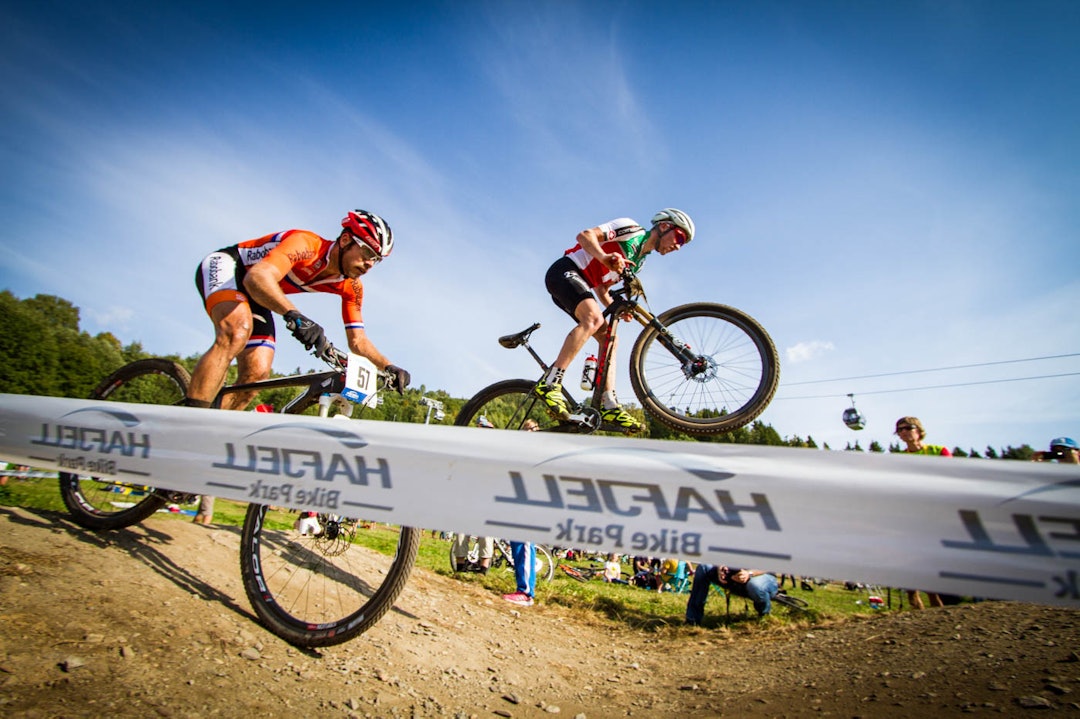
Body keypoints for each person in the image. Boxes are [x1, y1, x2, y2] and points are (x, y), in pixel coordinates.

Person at [183, 210, 411, 524]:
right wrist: (297, 316)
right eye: (369, 253)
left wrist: (390, 366)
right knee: (236, 331)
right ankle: (186, 427)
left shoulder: (351, 286)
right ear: (346, 240)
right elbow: (258, 277)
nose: (371, 263)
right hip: (233, 269)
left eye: (378, 260)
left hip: (257, 293)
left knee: (257, 374)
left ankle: (209, 440)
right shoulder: (306, 243)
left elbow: (357, 340)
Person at [533, 209, 695, 433]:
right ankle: (550, 382)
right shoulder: (631, 229)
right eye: (679, 238)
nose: (678, 246)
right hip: (565, 271)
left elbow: (601, 288)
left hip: (581, 284)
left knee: (610, 337)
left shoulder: (638, 263)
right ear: (664, 226)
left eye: (683, 244)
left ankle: (608, 403)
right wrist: (604, 258)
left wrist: (617, 308)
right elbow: (585, 236)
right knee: (593, 318)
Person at [895, 415, 949, 608]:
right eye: (899, 430)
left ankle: (934, 595)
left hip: (934, 511)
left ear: (918, 430)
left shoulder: (938, 451)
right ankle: (914, 594)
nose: (903, 432)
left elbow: (952, 476)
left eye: (907, 428)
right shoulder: (899, 459)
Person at [685, 565, 780, 623]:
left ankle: (764, 614)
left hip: (762, 575)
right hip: (734, 576)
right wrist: (720, 568)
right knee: (703, 568)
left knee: (755, 586)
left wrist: (749, 573)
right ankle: (692, 619)